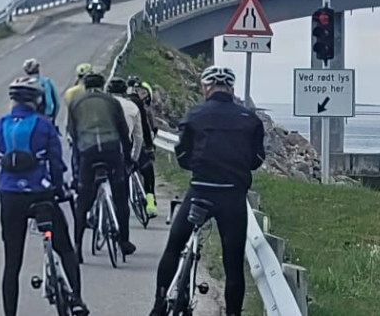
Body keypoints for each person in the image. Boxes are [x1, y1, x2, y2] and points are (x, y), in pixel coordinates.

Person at [151, 66, 265, 316]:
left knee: (174, 247)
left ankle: (159, 306)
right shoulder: (250, 119)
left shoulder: (195, 115)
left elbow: (182, 156)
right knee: (232, 263)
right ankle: (233, 314)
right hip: (232, 197)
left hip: (201, 191)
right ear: (232, 89)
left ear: (205, 88)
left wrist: (199, 166)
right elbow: (257, 159)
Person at [0, 77, 86, 316]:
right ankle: (78, 299)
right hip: (41, 194)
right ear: (37, 100)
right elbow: (56, 164)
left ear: (12, 100)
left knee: (12, 262)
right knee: (65, 249)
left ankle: (10, 313)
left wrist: (1, 187)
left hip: (10, 197)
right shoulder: (44, 126)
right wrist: (59, 190)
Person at [65, 72, 136, 256]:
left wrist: (76, 168)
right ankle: (124, 241)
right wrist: (127, 157)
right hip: (111, 149)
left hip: (87, 152)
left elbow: (72, 133)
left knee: (82, 200)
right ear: (103, 85)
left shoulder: (76, 103)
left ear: (85, 86)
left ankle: (78, 246)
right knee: (121, 196)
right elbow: (123, 130)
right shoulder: (112, 102)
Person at [126, 76, 160, 218]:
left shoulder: (122, 103)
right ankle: (151, 202)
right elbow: (148, 128)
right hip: (139, 142)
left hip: (121, 143)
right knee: (148, 170)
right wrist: (150, 146)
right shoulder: (143, 107)